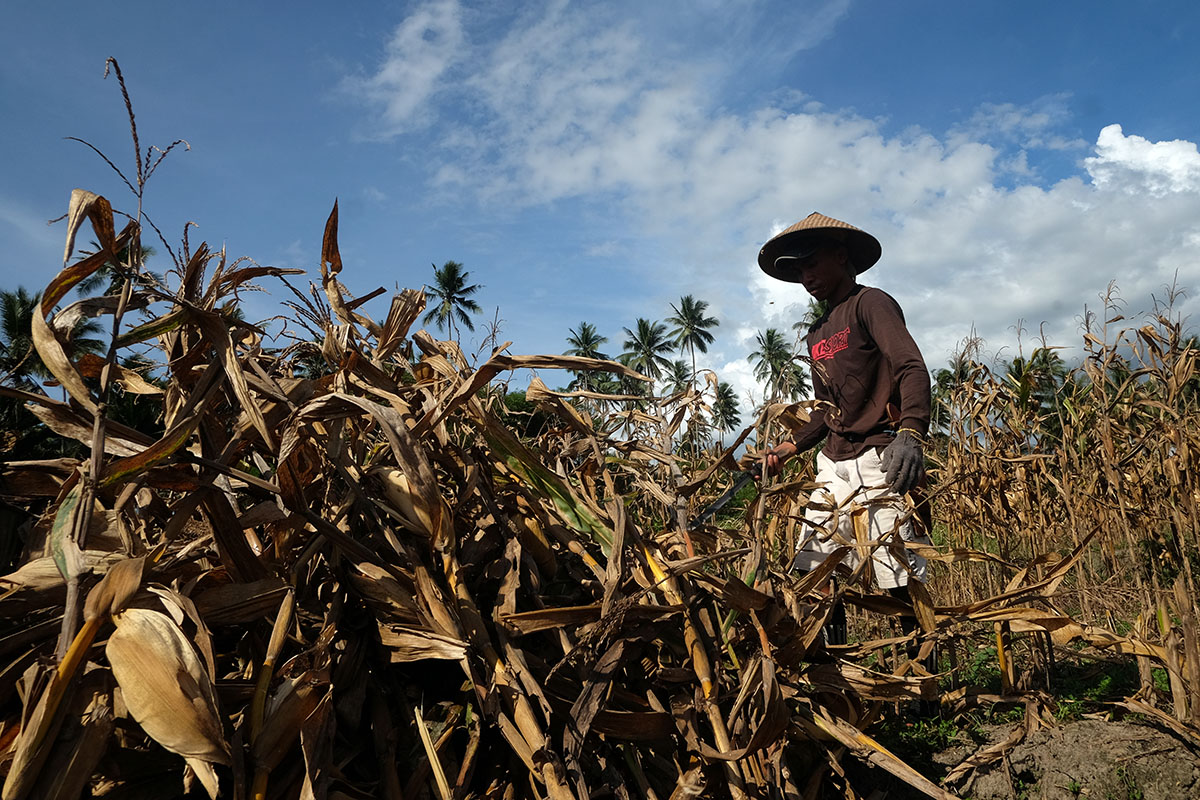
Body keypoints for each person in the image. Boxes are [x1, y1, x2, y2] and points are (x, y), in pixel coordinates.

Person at [754, 212, 932, 651]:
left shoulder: (870, 304)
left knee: (898, 572)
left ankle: (923, 680)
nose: (806, 275)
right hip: (832, 463)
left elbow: (910, 367)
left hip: (879, 455)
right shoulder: (817, 333)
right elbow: (824, 411)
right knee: (817, 569)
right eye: (798, 270)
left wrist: (910, 433)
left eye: (812, 263)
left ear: (841, 256)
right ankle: (835, 675)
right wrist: (789, 445)